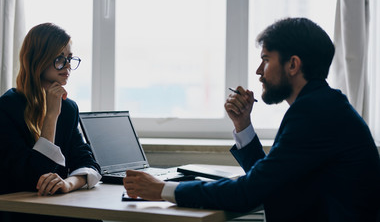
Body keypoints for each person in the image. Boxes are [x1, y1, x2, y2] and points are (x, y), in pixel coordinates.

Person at [123, 18, 380, 221]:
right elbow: (271, 181)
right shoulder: (323, 105)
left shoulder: (313, 113)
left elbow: (249, 192)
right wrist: (243, 126)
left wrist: (162, 190)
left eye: (266, 60)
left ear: (293, 65)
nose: (259, 72)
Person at [0, 23, 102, 222]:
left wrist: (68, 183)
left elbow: (89, 163)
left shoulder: (69, 108)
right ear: (38, 59)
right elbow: (33, 175)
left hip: (55, 205)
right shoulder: (6, 108)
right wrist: (51, 116)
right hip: (21, 211)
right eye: (59, 59)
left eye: (70, 59)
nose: (68, 66)